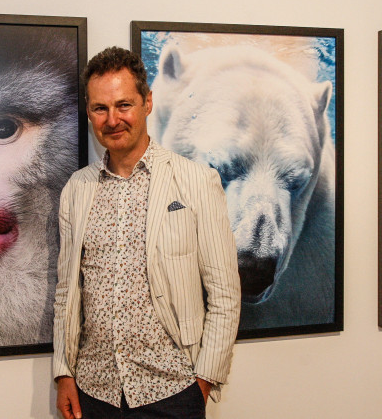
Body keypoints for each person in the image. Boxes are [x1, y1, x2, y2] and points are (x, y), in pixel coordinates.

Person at [53, 46, 241, 419]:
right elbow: (66, 292)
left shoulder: (197, 182)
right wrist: (64, 372)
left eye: (123, 105)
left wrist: (202, 381)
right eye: (100, 108)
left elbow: (225, 294)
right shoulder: (77, 189)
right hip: (94, 392)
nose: (112, 120)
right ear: (89, 112)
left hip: (173, 391)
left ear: (147, 102)